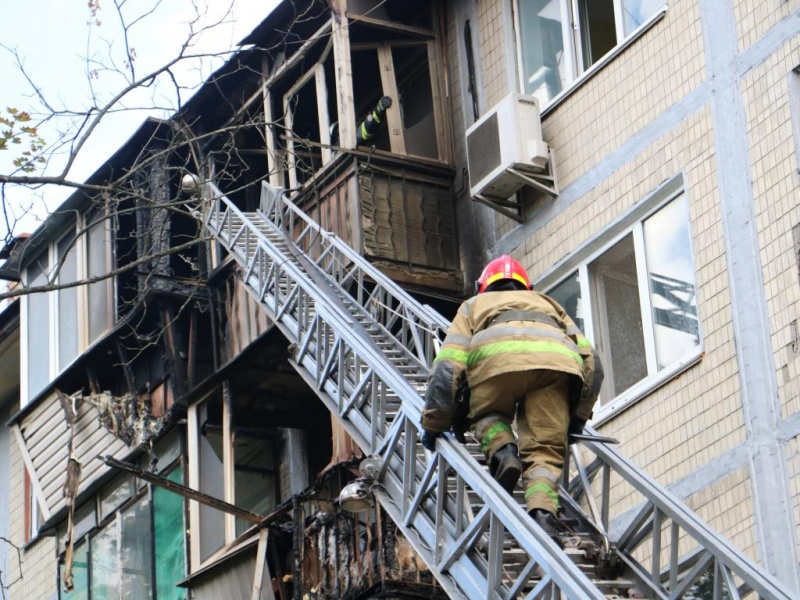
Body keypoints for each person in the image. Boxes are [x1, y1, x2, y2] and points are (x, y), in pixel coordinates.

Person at [420, 255, 603, 539]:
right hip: (554, 369)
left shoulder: (472, 306)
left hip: (496, 365)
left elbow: (448, 366)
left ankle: (504, 452)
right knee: (545, 451)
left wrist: (434, 423)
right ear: (525, 286)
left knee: (485, 415)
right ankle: (542, 515)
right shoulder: (549, 304)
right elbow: (593, 363)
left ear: (484, 287)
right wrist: (577, 418)